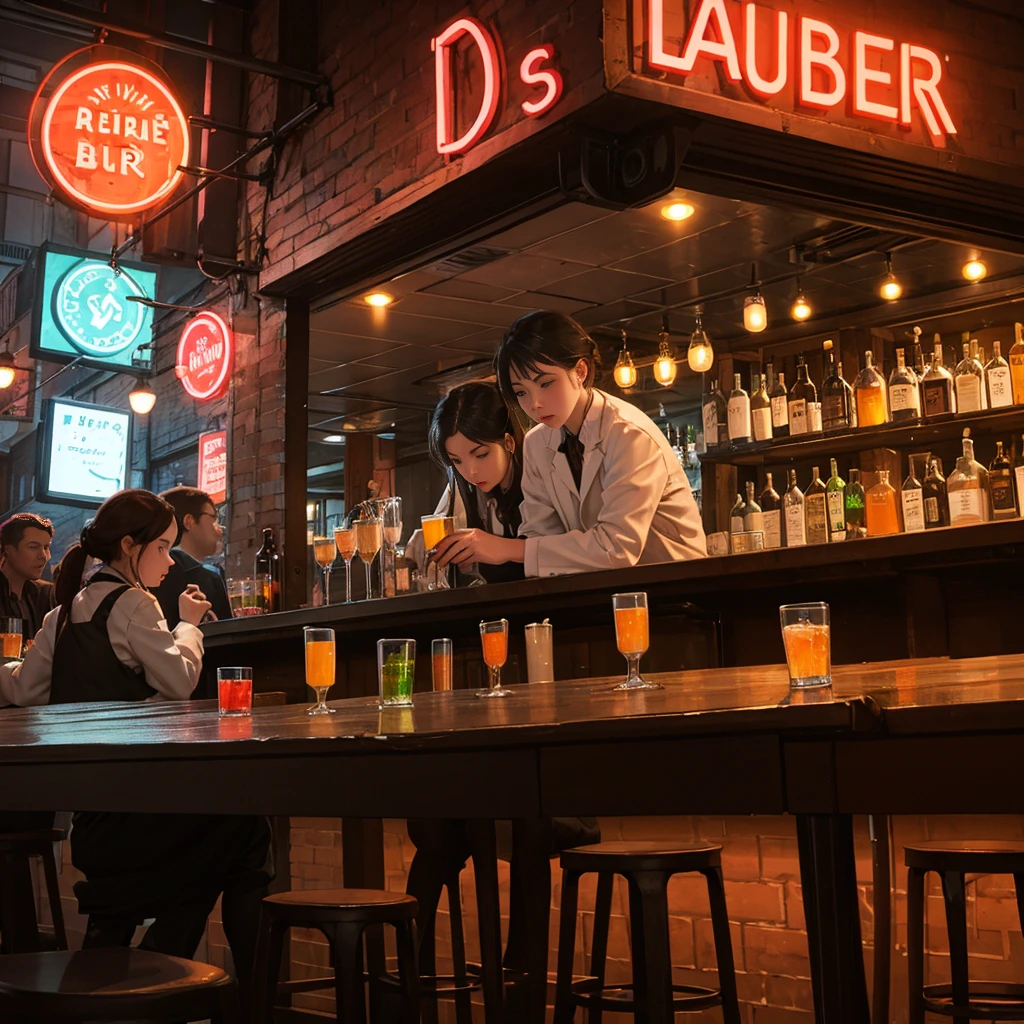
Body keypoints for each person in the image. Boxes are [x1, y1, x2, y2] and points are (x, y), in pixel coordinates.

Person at [0, 489, 272, 996]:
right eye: (163, 548)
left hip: (96, 825)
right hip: (139, 815)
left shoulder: (61, 616)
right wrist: (188, 626)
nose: (170, 561)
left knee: (219, 844)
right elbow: (180, 680)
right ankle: (222, 988)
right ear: (130, 545)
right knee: (244, 830)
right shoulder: (134, 603)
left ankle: (138, 964)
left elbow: (20, 688)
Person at [480, 309, 706, 576]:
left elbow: (618, 547)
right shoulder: (536, 444)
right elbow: (540, 536)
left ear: (580, 371)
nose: (534, 404)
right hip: (602, 592)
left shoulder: (628, 434)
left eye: (546, 383)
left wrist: (507, 549)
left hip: (678, 592)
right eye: (521, 392)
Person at [421, 380, 525, 584]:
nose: (470, 471)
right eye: (457, 460)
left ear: (508, 442)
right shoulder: (461, 483)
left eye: (481, 454)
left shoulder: (541, 476)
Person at [152, 486, 231, 628]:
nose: (219, 531)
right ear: (189, 521)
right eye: (213, 520)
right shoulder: (205, 578)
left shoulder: (148, 572)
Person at [0, 513, 56, 644]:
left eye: (46, 547)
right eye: (33, 547)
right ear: (7, 550)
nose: (43, 556)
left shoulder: (45, 595)